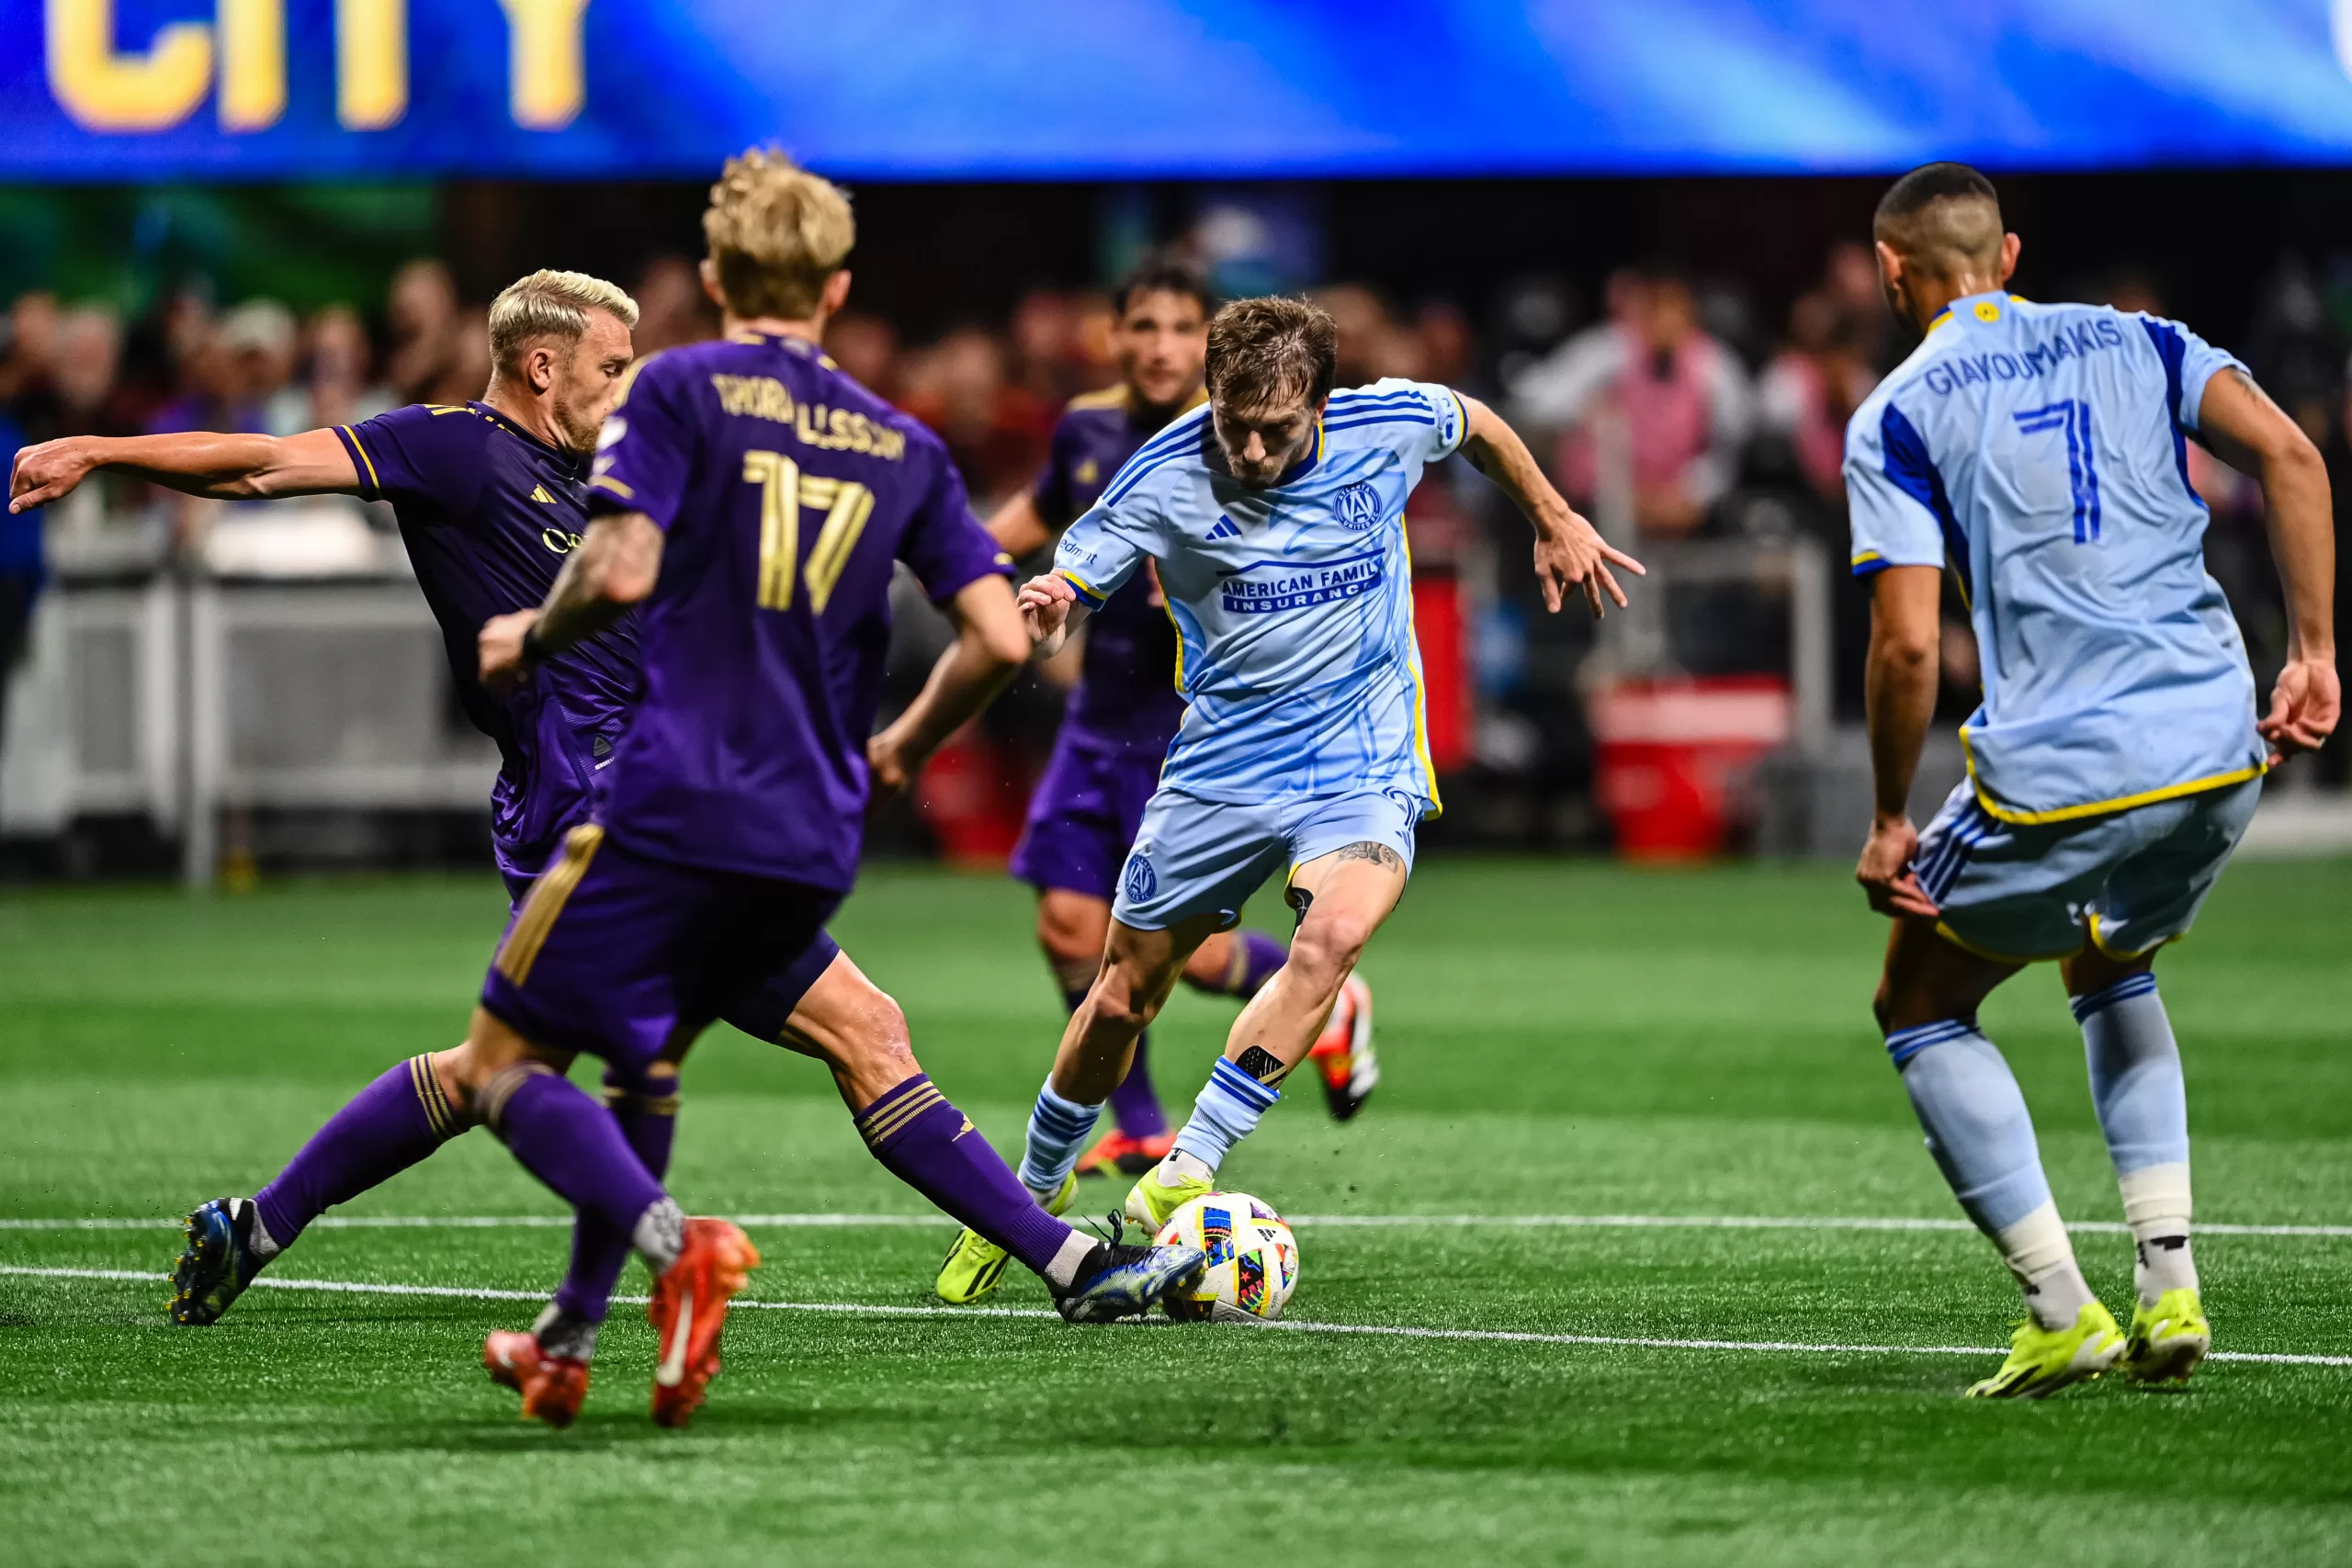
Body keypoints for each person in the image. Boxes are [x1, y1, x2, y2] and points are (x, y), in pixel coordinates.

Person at [1000, 296, 1640, 1250]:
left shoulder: (1387, 425)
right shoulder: (1163, 473)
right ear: (1211, 397)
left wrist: (1552, 515)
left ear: (1321, 404)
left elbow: (1479, 424)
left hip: (1361, 758)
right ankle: (1025, 1193)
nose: (1252, 452)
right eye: (1235, 427)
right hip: (1221, 766)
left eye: (1275, 431)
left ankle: (1188, 1166)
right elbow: (1075, 576)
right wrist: (1052, 600)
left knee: (1332, 936)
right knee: (1123, 995)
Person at [1846, 164, 2337, 1398]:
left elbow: (1907, 641)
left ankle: (2062, 1308)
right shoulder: (2146, 340)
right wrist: (2317, 654)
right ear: (2008, 256)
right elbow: (2292, 455)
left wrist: (1893, 816)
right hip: (2223, 744)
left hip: (2068, 763)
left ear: (1891, 274)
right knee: (2111, 957)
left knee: (1918, 1002)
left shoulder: (1897, 412)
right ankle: (2170, 1284)